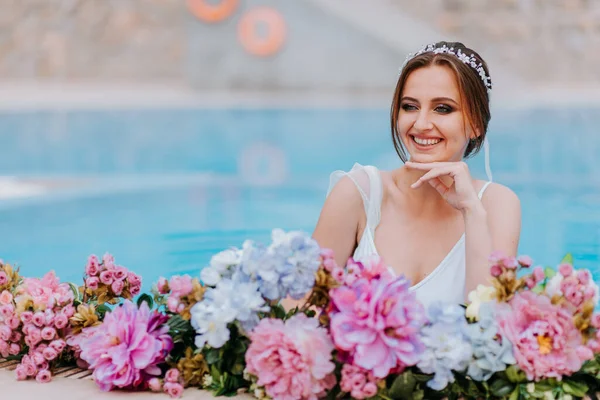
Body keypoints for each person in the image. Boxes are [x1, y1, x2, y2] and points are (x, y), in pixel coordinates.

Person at [312, 41, 521, 308]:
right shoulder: (357, 193)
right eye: (409, 106)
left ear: (476, 124)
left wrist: (472, 212)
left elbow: (492, 326)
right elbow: (299, 311)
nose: (421, 124)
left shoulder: (497, 206)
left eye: (443, 108)